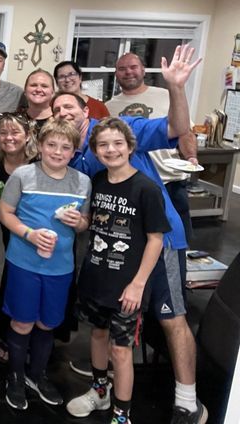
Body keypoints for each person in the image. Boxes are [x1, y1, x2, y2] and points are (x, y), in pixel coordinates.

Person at [51, 43, 207, 424]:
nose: (63, 113)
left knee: (172, 317)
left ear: (85, 109)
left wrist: (177, 87)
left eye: (69, 106)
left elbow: (176, 128)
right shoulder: (78, 156)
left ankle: (188, 400)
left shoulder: (123, 131)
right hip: (114, 252)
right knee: (104, 327)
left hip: (160, 241)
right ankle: (102, 391)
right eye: (56, 111)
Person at [66, 118, 168, 424]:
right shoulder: (97, 182)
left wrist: (138, 285)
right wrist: (77, 221)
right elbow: (91, 223)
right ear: (95, 151)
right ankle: (99, 392)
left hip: (128, 286)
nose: (111, 150)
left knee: (121, 351)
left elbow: (156, 240)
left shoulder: (146, 189)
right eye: (103, 145)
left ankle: (122, 415)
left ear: (130, 146)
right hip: (96, 277)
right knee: (97, 336)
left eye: (117, 143)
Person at [0, 119, 91, 411]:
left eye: (66, 147)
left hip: (61, 267)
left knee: (47, 322)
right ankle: (15, 376)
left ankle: (37, 375)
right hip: (24, 263)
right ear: (39, 145)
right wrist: (29, 233)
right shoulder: (23, 175)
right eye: (51, 144)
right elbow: (5, 212)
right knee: (23, 321)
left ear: (74, 151)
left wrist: (80, 223)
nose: (57, 151)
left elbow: (84, 223)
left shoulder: (82, 182)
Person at [105, 51, 198, 244]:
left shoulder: (165, 95)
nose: (128, 72)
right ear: (116, 74)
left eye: (133, 67)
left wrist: (190, 157)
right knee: (144, 240)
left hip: (169, 180)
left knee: (177, 237)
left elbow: (184, 131)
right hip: (136, 184)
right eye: (122, 69)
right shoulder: (110, 107)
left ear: (143, 70)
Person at [0, 112, 38, 359]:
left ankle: (36, 340)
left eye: (15, 132)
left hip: (37, 237)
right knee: (10, 284)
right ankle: (6, 337)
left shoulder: (39, 165)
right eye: (3, 133)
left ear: (27, 136)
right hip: (10, 239)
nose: (8, 137)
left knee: (34, 288)